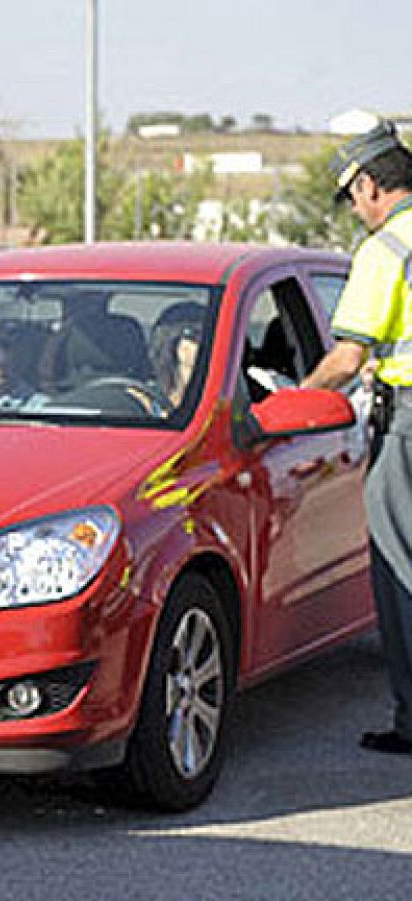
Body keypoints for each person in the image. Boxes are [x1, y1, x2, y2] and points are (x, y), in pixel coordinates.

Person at [299, 118, 412, 755]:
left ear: (370, 185)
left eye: (353, 197)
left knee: (400, 570)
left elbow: (347, 359)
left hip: (408, 427)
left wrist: (293, 401)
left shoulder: (386, 250)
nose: (356, 211)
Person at [148, 302, 207, 413]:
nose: (204, 342)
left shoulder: (223, 398)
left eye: (208, 335)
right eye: (193, 335)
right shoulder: (142, 399)